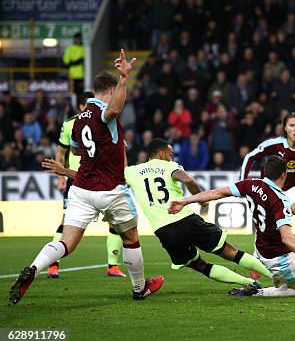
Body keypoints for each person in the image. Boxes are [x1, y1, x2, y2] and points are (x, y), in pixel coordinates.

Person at [10, 50, 164, 305]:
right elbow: (113, 110)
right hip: (110, 190)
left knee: (67, 241)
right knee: (131, 237)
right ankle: (139, 289)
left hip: (81, 190)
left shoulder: (77, 122)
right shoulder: (103, 113)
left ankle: (34, 269)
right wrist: (124, 77)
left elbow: (76, 150)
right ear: (111, 89)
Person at [43, 138, 273, 287]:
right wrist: (198, 199)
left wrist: (63, 171)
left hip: (164, 231)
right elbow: (189, 180)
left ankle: (247, 284)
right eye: (170, 153)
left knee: (199, 265)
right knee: (229, 251)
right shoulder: (170, 166)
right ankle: (275, 277)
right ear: (162, 153)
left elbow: (97, 179)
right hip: (186, 219)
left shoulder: (132, 171)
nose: (172, 157)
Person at [169, 155, 295, 297]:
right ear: (284, 174)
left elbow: (216, 193)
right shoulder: (280, 200)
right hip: (278, 257)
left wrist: (185, 201)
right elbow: (287, 238)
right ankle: (260, 292)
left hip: (261, 248)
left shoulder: (250, 184)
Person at [47, 91, 126, 279]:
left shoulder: (102, 119)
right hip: (80, 179)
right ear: (84, 106)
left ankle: (112, 266)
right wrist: (61, 176)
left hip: (95, 178)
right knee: (67, 223)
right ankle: (53, 264)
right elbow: (61, 150)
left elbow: (119, 149)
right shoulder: (77, 122)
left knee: (114, 223)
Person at [240, 112, 295, 272]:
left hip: (291, 188)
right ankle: (257, 261)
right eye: (292, 125)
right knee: (266, 228)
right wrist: (243, 180)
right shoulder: (273, 145)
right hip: (269, 191)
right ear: (285, 128)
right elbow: (250, 157)